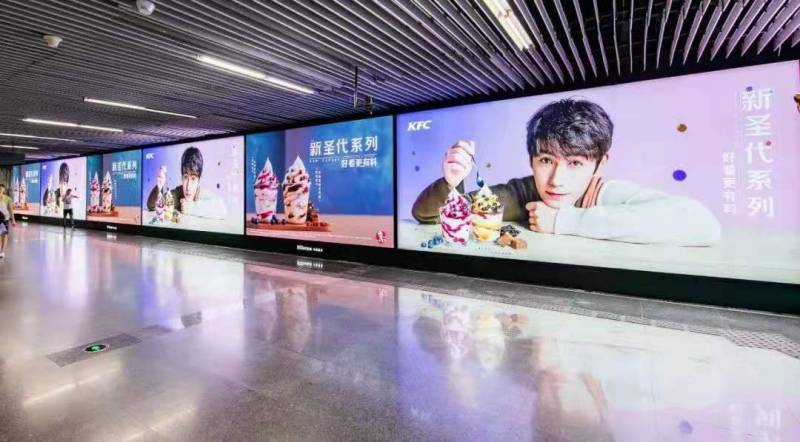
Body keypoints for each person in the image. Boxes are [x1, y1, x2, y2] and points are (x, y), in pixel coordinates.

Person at [412, 98, 721, 246]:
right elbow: (427, 215)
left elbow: (703, 224)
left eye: (575, 163)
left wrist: (563, 220)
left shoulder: (604, 193)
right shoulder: (521, 193)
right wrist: (451, 181)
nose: (557, 180)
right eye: (547, 160)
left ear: (600, 164)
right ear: (531, 160)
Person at [169, 147, 226, 219]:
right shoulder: (178, 193)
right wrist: (159, 186)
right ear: (182, 178)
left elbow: (222, 208)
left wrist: (191, 208)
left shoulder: (202, 194)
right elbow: (156, 203)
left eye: (193, 179)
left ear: (199, 180)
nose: (188, 187)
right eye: (185, 177)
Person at [0, 183, 16, 259]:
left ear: (4, 190)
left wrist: (13, 220)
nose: (0, 190)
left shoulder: (8, 199)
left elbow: (11, 210)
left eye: (1, 188)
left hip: (4, 219)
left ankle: (2, 251)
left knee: (4, 235)